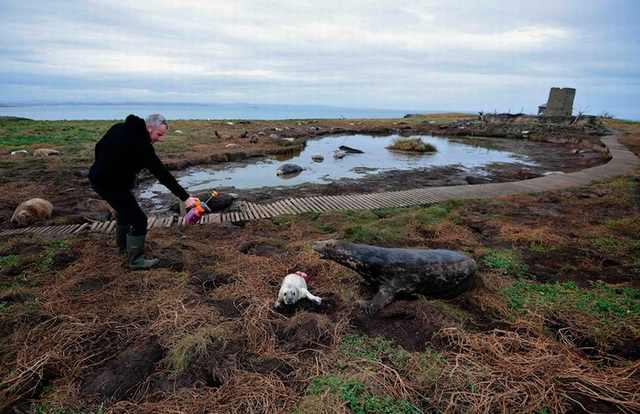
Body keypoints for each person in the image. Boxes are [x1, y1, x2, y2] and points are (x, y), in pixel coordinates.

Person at [89, 114, 198, 269]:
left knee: (124, 212)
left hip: (97, 179)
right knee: (140, 220)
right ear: (148, 128)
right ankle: (135, 261)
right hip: (110, 185)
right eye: (158, 134)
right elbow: (162, 174)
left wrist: (105, 168)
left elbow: (99, 147)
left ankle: (123, 248)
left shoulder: (118, 127)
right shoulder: (142, 145)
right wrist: (185, 198)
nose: (159, 139)